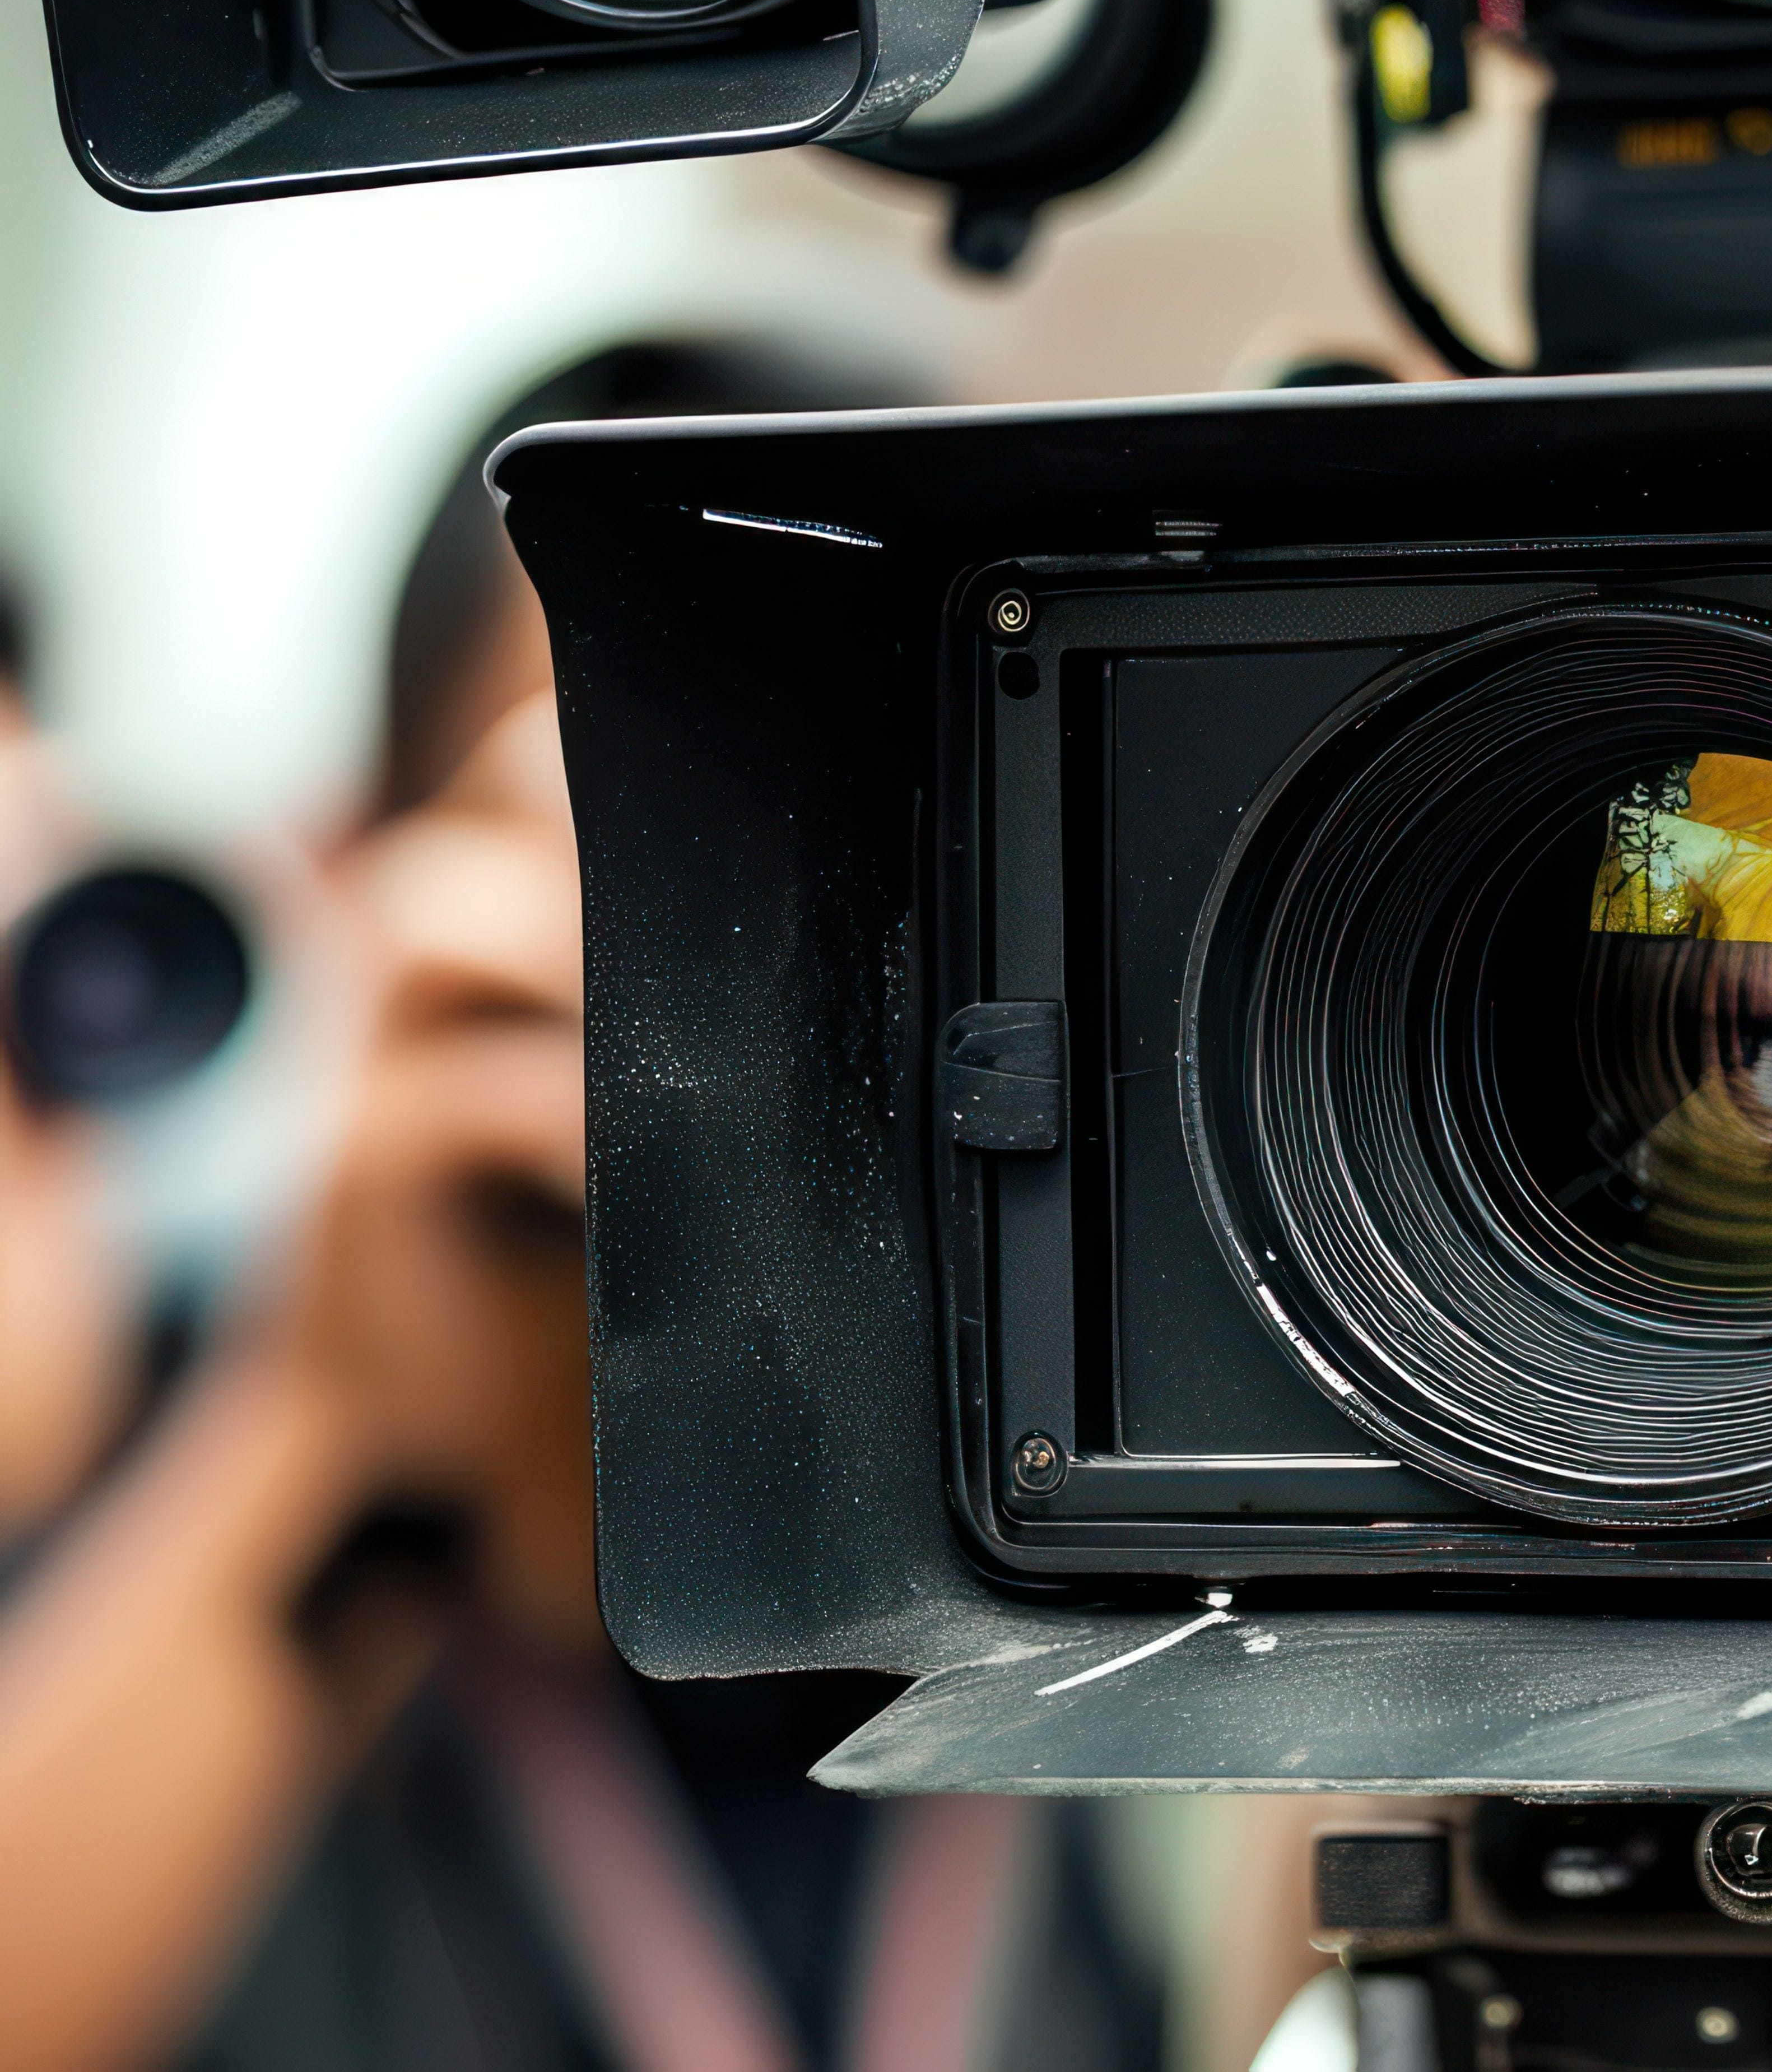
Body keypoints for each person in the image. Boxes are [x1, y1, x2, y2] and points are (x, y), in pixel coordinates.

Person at [0, 346, 1263, 2071]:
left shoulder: (1146, 1493)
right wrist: (327, 1424)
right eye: (649, 859)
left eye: (876, 875)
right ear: (381, 884)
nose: (761, 1001)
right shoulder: (154, 1488)